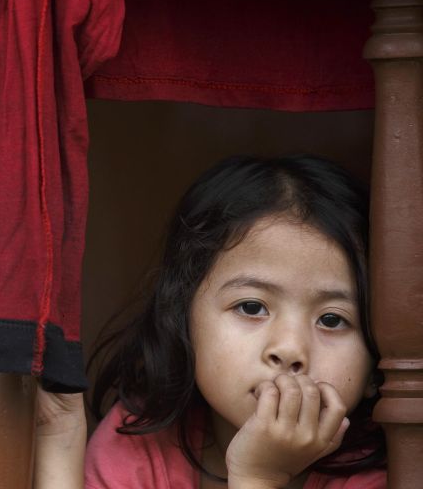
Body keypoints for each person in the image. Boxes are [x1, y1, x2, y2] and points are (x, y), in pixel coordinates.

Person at [33, 155, 386, 488]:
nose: (290, 349)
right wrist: (58, 438)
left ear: (376, 364)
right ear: (183, 323)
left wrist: (259, 477)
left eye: (331, 319)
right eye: (251, 307)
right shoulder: (142, 443)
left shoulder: (386, 474)